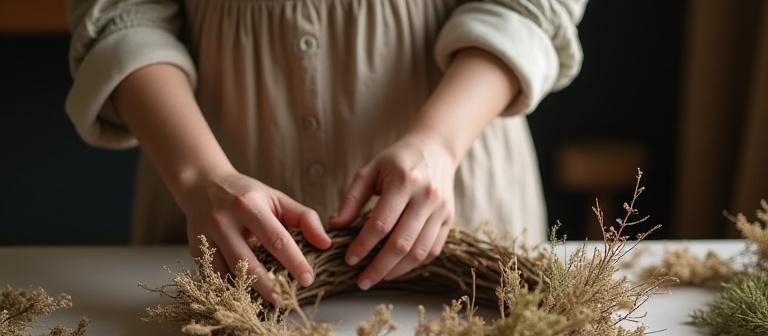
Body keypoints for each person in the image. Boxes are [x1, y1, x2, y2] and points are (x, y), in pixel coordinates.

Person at [66, 0, 586, 303]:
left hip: (455, 185)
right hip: (216, 205)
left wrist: (438, 142)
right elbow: (123, 13)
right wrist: (202, 176)